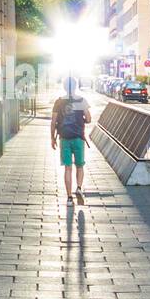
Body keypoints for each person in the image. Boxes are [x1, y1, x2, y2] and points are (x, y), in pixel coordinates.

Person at [51, 76, 92, 204]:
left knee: (67, 168)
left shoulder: (58, 102)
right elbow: (89, 119)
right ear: (75, 86)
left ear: (64, 86)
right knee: (79, 166)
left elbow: (53, 122)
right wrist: (83, 120)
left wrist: (52, 138)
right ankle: (79, 188)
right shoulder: (81, 100)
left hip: (64, 138)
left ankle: (69, 198)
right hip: (79, 138)